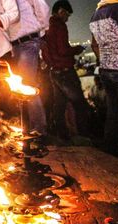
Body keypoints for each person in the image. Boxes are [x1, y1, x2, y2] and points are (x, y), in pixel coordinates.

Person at [43, 0, 89, 140]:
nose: (67, 18)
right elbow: (63, 50)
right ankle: (83, 134)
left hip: (54, 71)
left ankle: (61, 135)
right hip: (65, 71)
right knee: (80, 103)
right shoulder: (59, 26)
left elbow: (46, 50)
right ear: (61, 11)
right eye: (67, 14)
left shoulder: (46, 25)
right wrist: (77, 49)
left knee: (59, 105)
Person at [90, 0, 118, 162]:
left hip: (106, 70)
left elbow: (94, 45)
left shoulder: (95, 15)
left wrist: (106, 60)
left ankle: (109, 153)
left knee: (112, 114)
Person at [8, 0, 49, 136]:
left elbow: (42, 8)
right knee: (20, 87)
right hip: (15, 45)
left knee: (27, 86)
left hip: (28, 42)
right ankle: (30, 127)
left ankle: (38, 129)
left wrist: (39, 31)